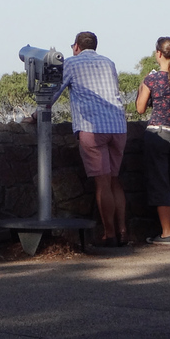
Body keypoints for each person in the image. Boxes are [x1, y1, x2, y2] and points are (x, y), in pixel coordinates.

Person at [51, 31, 128, 247]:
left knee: (102, 184)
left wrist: (37, 114)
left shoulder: (72, 63)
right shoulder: (108, 63)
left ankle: (110, 234)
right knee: (115, 181)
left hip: (93, 128)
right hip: (118, 126)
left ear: (76, 46)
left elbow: (54, 93)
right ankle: (123, 231)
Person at [135, 37, 170, 245]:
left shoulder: (152, 80)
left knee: (160, 183)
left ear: (158, 53)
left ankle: (167, 234)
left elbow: (140, 108)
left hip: (158, 133)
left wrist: (143, 83)